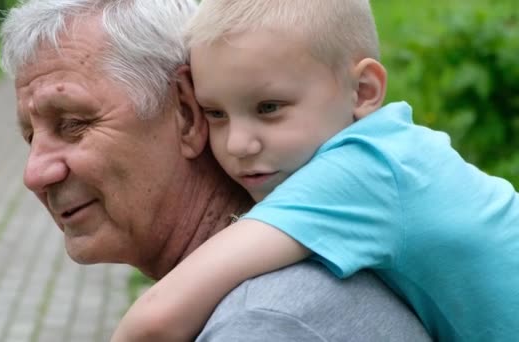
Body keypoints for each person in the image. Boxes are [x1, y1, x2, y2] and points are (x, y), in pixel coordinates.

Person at [0, 0, 431, 341]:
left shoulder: (262, 322)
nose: (35, 174)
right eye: (29, 138)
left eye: (73, 124)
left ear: (187, 114)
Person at [113, 0, 519, 341]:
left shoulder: (359, 174)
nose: (237, 144)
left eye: (269, 108)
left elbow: (155, 320)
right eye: (215, 113)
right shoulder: (396, 150)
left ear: (363, 91)